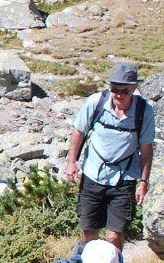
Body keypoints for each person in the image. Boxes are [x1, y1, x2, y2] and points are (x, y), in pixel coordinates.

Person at [62, 61, 155, 248]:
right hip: (92, 174)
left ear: (133, 89)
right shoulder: (95, 102)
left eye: (125, 91)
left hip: (124, 179)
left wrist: (143, 182)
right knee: (89, 232)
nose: (119, 95)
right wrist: (72, 162)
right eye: (115, 89)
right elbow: (78, 132)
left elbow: (146, 148)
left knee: (114, 235)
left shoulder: (144, 111)